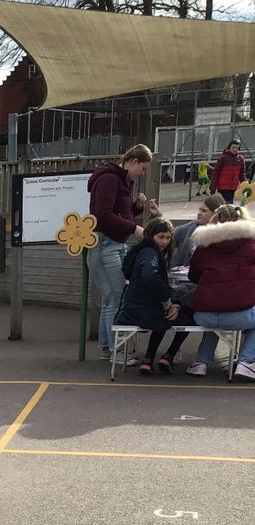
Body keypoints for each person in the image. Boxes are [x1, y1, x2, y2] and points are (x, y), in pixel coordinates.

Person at [87, 144, 158, 362]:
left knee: (112, 299)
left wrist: (136, 206)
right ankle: (116, 352)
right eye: (143, 168)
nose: (143, 173)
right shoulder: (109, 179)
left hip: (114, 243)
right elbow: (103, 215)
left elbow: (120, 212)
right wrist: (134, 228)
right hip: (105, 243)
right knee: (115, 298)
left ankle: (107, 348)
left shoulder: (122, 180)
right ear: (134, 161)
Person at [115, 218, 207, 375]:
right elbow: (151, 278)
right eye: (161, 237)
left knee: (168, 314)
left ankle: (148, 360)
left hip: (135, 308)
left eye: (168, 237)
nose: (165, 241)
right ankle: (168, 356)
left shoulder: (141, 251)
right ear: (151, 236)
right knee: (189, 316)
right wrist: (168, 302)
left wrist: (170, 303)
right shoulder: (150, 253)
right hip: (143, 312)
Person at [186, 203, 255, 380]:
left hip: (204, 314)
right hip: (239, 314)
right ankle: (246, 362)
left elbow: (193, 276)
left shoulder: (204, 246)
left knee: (215, 319)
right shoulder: (251, 244)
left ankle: (201, 362)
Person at [172, 194, 222, 268]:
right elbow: (168, 234)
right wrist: (156, 215)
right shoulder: (190, 227)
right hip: (184, 275)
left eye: (204, 211)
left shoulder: (223, 234)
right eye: (200, 209)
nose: (199, 213)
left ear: (215, 215)